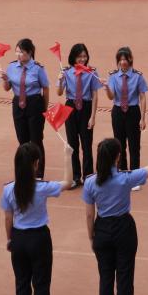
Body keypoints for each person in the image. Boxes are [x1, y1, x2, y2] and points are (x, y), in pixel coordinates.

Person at [84, 123, 148, 295]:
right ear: (118, 157)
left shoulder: (91, 182)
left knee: (105, 278)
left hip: (102, 228)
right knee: (124, 277)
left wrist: (92, 235)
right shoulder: (125, 178)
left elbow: (88, 213)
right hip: (123, 228)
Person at [1, 142, 71, 295]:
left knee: (22, 281)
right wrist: (67, 156)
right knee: (40, 281)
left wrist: (9, 239)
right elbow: (67, 182)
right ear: (36, 163)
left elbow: (8, 218)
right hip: (39, 237)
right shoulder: (42, 187)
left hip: (19, 237)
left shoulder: (9, 189)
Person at [2, 39, 49, 179]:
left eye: (21, 52)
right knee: (22, 139)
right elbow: (7, 88)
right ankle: (25, 170)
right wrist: (5, 79)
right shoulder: (11, 67)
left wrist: (44, 110)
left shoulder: (38, 68)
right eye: (17, 51)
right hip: (18, 104)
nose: (18, 54)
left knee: (36, 140)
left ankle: (39, 172)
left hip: (35, 103)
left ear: (29, 52)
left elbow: (45, 89)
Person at [103, 46, 148, 176]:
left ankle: (135, 175)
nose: (123, 62)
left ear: (130, 60)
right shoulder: (113, 76)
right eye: (120, 59)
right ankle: (122, 172)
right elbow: (111, 97)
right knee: (119, 145)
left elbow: (142, 97)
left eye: (125, 59)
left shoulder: (137, 76)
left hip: (133, 112)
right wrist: (106, 88)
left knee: (134, 145)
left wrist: (143, 118)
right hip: (118, 111)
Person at [59, 43, 98, 187]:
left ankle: (87, 176)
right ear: (73, 57)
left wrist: (93, 116)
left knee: (86, 143)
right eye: (79, 56)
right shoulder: (67, 71)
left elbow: (95, 95)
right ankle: (75, 176)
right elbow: (58, 92)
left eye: (84, 56)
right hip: (70, 107)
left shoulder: (92, 72)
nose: (82, 59)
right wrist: (60, 79)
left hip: (86, 107)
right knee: (72, 143)